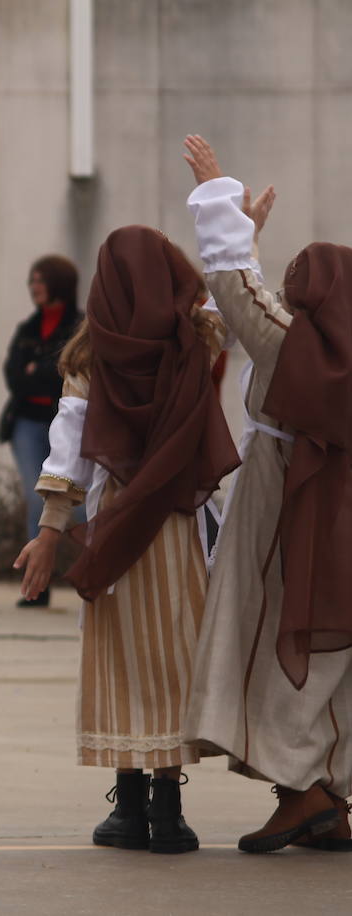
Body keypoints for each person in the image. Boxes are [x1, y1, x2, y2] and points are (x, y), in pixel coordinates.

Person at [15, 224, 238, 854]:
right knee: (175, 660)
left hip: (118, 532)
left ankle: (129, 805)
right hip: (180, 526)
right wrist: (236, 230)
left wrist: (49, 534)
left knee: (120, 660)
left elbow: (68, 455)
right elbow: (227, 297)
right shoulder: (195, 341)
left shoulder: (87, 360)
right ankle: (169, 811)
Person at [181, 134, 352, 853]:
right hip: (335, 512)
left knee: (273, 637)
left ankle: (303, 793)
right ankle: (326, 794)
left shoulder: (294, 347)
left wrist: (220, 199)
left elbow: (238, 294)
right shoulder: (335, 357)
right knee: (330, 656)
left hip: (287, 507)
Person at [0, 255, 81, 608]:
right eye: (32, 282)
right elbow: (14, 376)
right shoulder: (28, 328)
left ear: (58, 284)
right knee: (37, 498)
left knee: (79, 504)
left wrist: (39, 371)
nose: (34, 288)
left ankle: (89, 569)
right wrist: (39, 371)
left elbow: (67, 374)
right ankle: (37, 585)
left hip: (63, 421)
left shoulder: (79, 327)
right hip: (26, 424)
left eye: (40, 281)